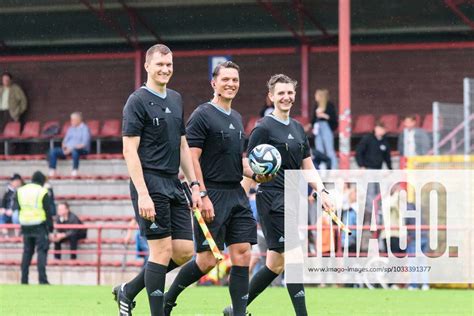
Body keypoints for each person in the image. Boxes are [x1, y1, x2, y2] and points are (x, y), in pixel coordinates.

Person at [224, 74, 334, 316]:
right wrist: (238, 204)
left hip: (293, 199)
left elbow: (308, 167)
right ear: (271, 97)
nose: (286, 97)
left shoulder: (296, 128)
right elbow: (249, 169)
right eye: (280, 93)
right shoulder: (263, 128)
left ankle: (235, 310)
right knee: (294, 257)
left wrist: (322, 190)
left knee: (275, 264)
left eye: (290, 93)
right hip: (272, 199)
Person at [163, 61, 265, 316]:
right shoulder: (202, 115)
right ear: (214, 83)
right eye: (226, 79)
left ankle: (238, 312)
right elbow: (192, 158)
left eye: (235, 80)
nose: (231, 84)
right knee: (207, 260)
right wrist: (202, 193)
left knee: (242, 253)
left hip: (237, 194)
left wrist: (257, 173)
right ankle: (168, 299)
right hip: (211, 193)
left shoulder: (238, 117)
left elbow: (235, 161)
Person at [113, 44, 202, 316]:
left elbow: (183, 146)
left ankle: (128, 290)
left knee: (185, 251)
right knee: (161, 251)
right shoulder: (136, 101)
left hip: (174, 183)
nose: (165, 69)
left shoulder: (175, 99)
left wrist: (195, 185)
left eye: (169, 65)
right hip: (150, 182)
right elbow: (129, 150)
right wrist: (143, 193)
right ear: (147, 66)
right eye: (160, 64)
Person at [15, 171, 53, 285]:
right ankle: (42, 279)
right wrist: (50, 228)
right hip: (39, 225)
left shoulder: (21, 190)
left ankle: (24, 280)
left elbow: (18, 207)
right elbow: (47, 211)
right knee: (41, 251)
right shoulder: (42, 191)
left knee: (27, 252)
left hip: (25, 225)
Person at [48, 112, 91, 177]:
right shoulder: (71, 128)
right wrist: (64, 147)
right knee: (53, 151)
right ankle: (52, 170)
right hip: (68, 150)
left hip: (81, 150)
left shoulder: (85, 129)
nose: (71, 121)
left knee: (75, 151)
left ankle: (75, 170)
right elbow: (64, 141)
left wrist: (70, 149)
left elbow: (84, 144)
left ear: (78, 120)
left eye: (73, 120)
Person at [311, 89, 338, 169]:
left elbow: (333, 119)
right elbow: (313, 119)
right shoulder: (316, 105)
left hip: (326, 126)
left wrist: (324, 116)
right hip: (318, 127)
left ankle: (333, 168)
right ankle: (322, 168)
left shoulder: (329, 105)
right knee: (319, 149)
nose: (315, 97)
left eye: (316, 95)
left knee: (329, 149)